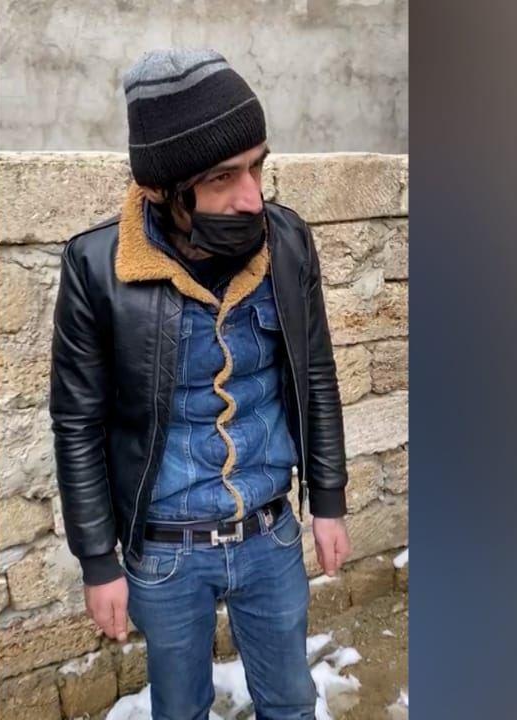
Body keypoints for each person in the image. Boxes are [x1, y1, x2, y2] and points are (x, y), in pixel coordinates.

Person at [49, 48, 351, 719]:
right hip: (165, 551)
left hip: (270, 533)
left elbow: (316, 374)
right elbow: (77, 423)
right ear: (166, 188)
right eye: (223, 177)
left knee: (292, 705)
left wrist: (328, 498)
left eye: (258, 166)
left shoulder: (288, 243)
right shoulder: (96, 268)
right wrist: (97, 559)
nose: (252, 197)